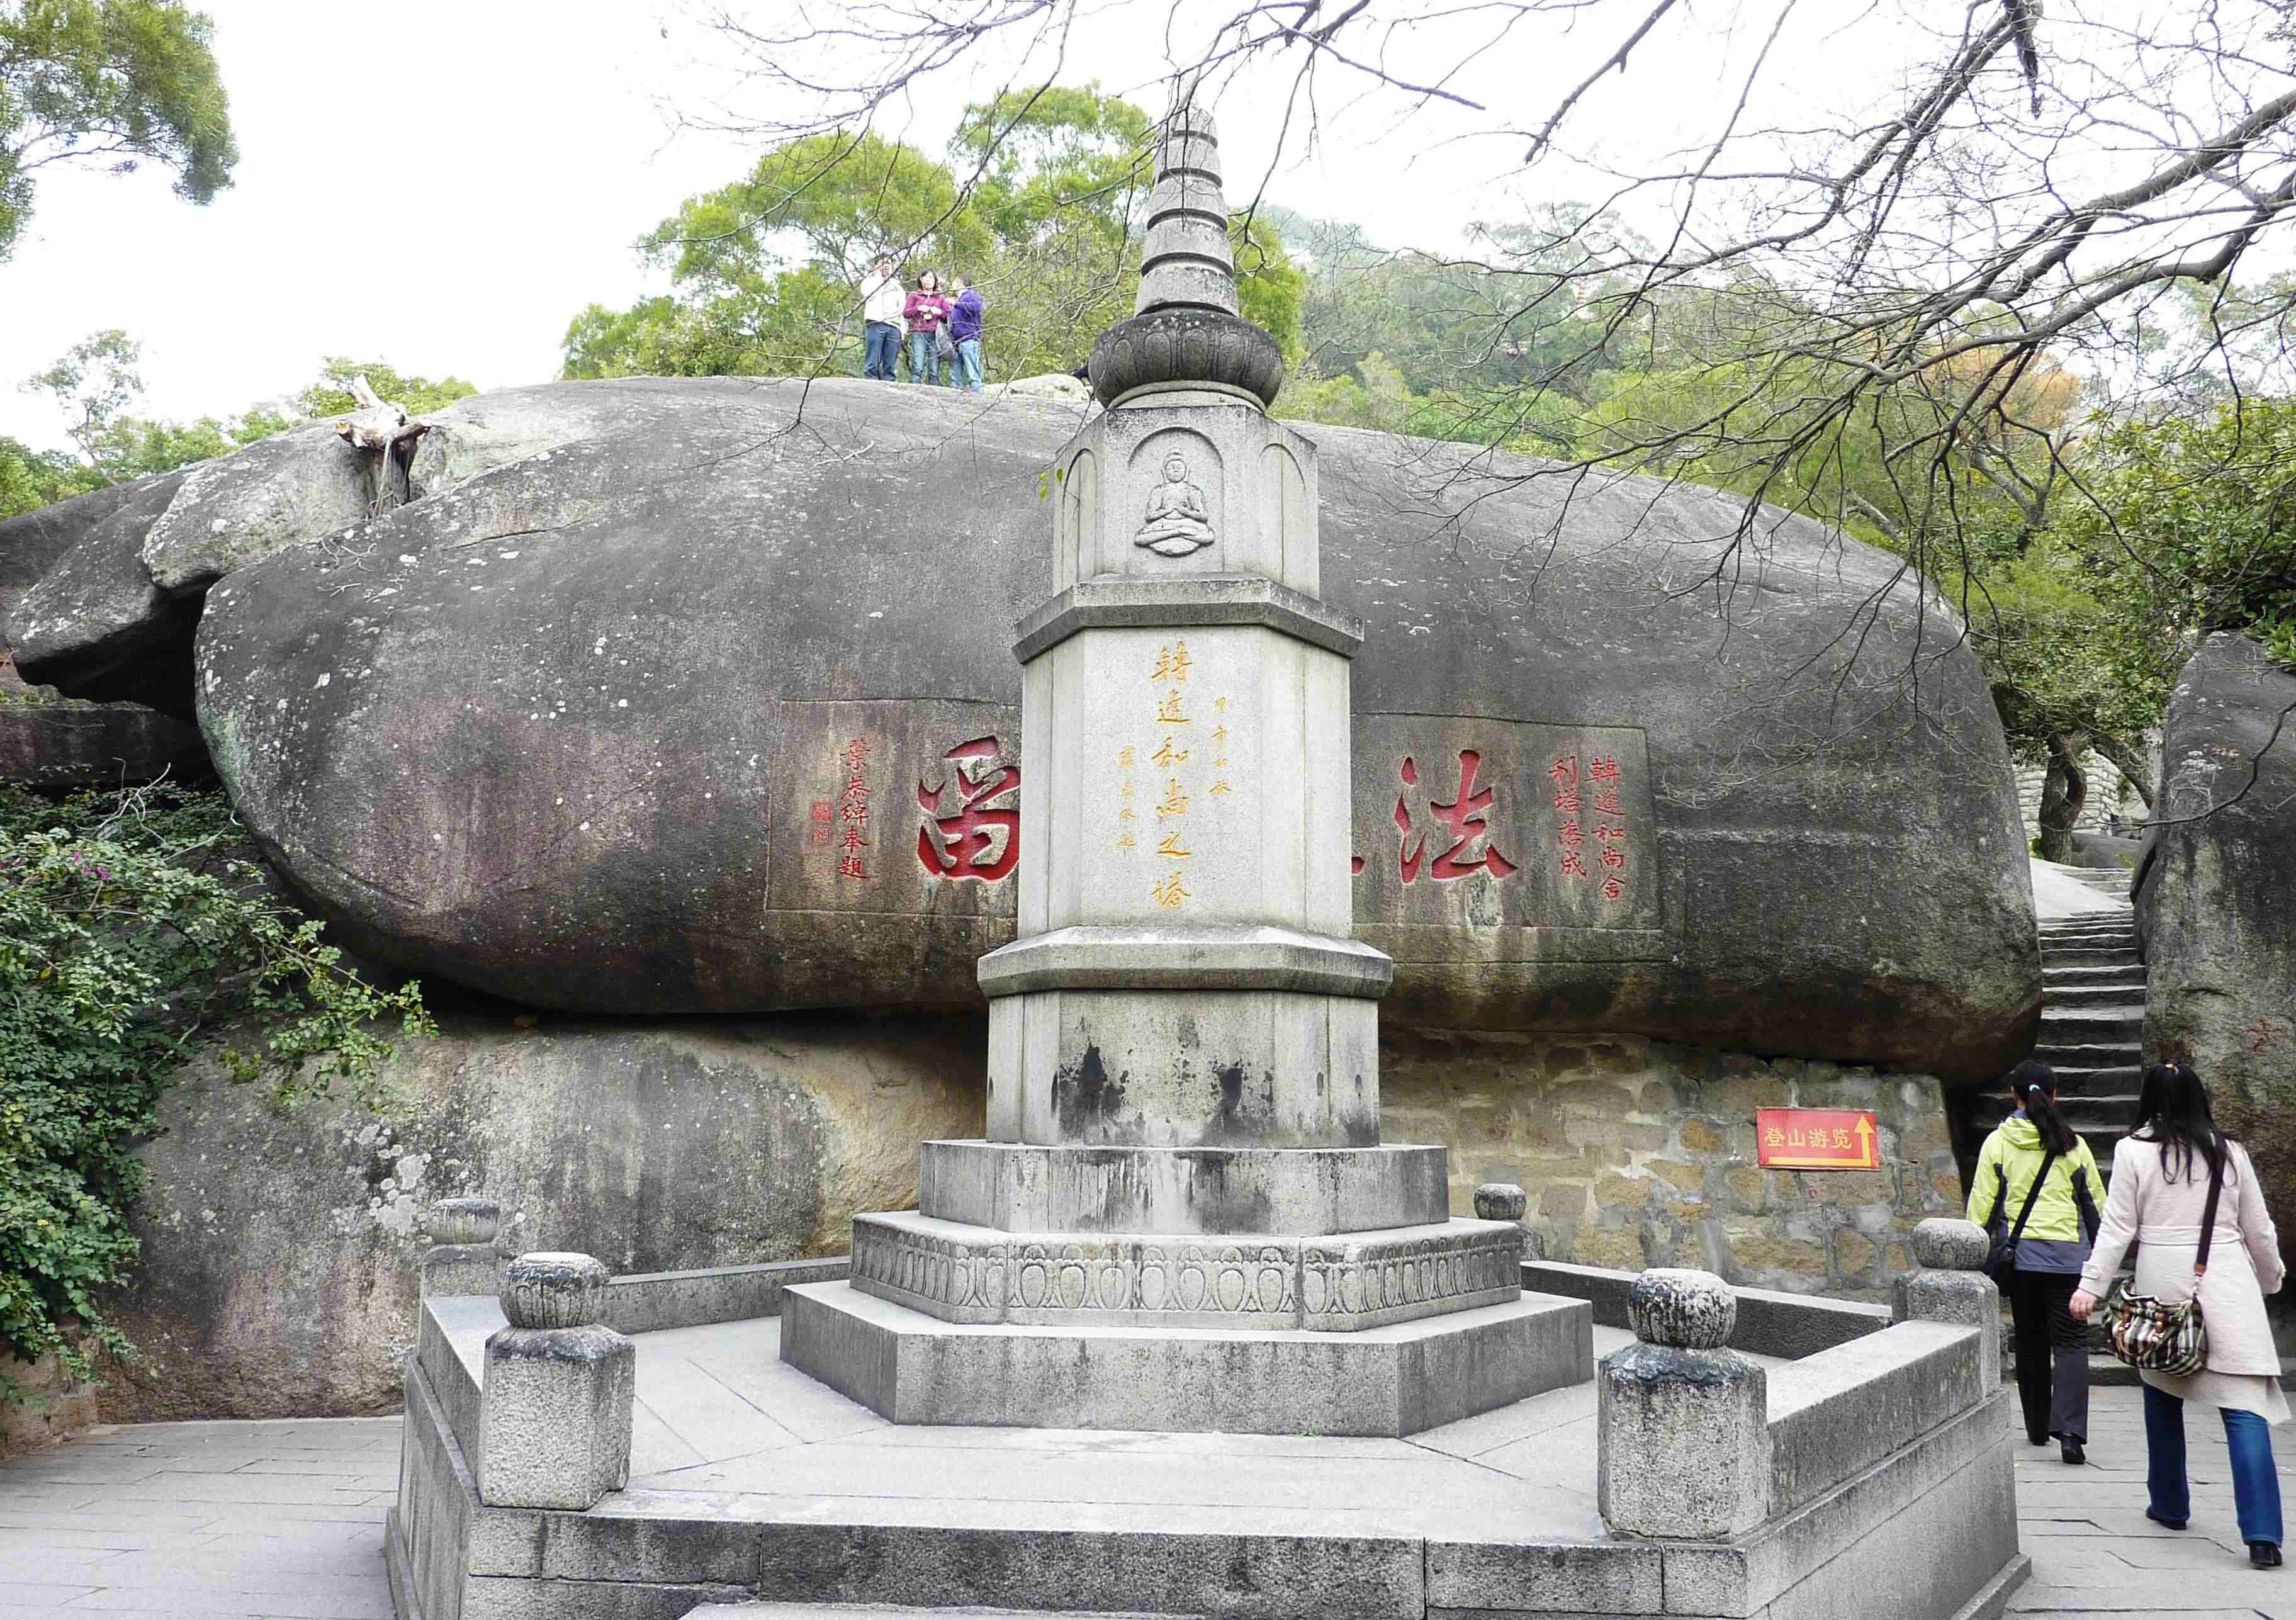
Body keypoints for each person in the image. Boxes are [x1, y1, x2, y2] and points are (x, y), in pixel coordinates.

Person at [2072, 1063, 2286, 1567]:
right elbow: (2259, 1229)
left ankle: (2169, 1504)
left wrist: (2091, 1287)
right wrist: (2270, 1279)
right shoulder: (2230, 1152)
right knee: (2245, 1407)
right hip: (2227, 1280)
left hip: (2161, 1282)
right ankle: (2262, 1536)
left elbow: (2118, 1226)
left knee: (2163, 1392)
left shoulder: (2132, 1151)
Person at [1967, 1059, 2105, 1465]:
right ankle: (2072, 1433)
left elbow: (1981, 1207)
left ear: (2015, 1096)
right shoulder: (2074, 1145)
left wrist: (1972, 1253)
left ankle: (2036, 1426)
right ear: (2055, 1094)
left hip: (2021, 1260)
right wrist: (2102, 1260)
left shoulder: (1999, 1143)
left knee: (2030, 1341)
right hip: (2068, 1262)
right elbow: (2097, 1207)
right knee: (2072, 1344)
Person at [903, 271, 952, 385]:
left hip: (936, 334)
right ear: (921, 280)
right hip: (919, 333)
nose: (929, 280)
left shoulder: (940, 297)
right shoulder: (914, 296)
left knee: (934, 369)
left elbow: (948, 316)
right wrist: (918, 308)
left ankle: (933, 396)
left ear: (935, 281)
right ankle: (913, 391)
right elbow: (906, 313)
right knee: (918, 365)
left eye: (931, 278)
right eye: (926, 277)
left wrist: (939, 312)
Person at [860, 255, 904, 382]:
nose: (886, 265)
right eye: (883, 263)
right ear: (875, 266)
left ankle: (889, 382)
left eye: (889, 263)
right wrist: (878, 276)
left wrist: (902, 328)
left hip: (894, 325)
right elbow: (867, 293)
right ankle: (871, 380)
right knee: (873, 358)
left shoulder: (897, 285)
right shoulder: (870, 281)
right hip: (876, 322)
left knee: (891, 361)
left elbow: (902, 308)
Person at [948, 274, 986, 393]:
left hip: (969, 339)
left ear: (960, 283)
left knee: (973, 373)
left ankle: (979, 399)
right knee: (955, 376)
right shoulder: (960, 299)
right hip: (957, 342)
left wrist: (956, 304)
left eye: (954, 281)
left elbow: (977, 307)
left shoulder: (971, 295)